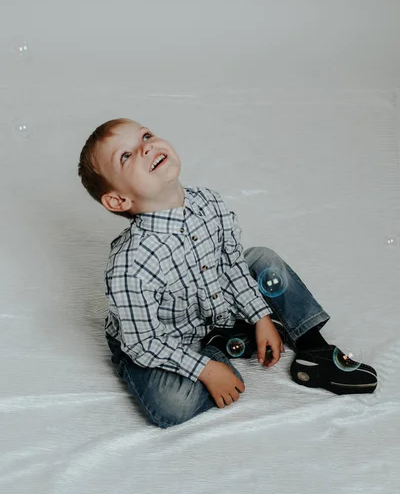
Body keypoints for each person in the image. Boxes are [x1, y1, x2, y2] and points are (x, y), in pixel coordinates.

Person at [78, 118, 378, 429]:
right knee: (171, 405)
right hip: (159, 338)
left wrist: (260, 317)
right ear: (118, 200)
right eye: (126, 156)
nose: (146, 147)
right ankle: (218, 349)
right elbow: (144, 343)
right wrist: (205, 369)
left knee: (262, 259)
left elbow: (233, 267)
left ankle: (315, 350)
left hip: (211, 305)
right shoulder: (131, 264)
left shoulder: (209, 203)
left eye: (146, 135)